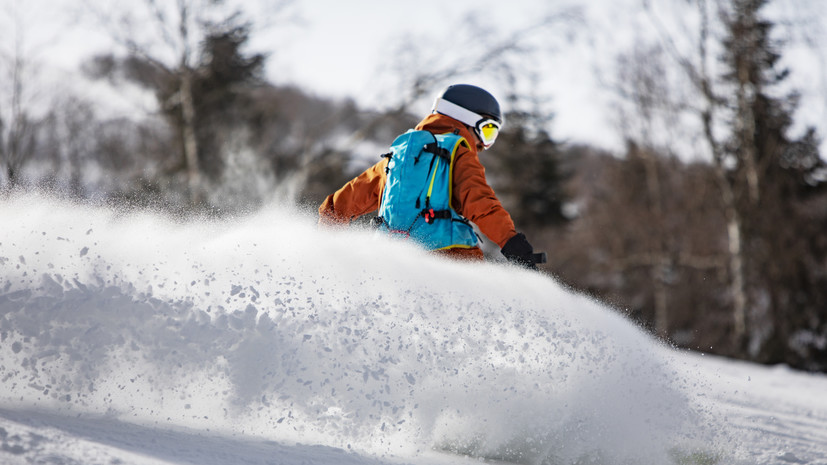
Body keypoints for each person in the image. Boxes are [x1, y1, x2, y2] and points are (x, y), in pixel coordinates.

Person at [318, 84, 539, 268]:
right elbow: (479, 202)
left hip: (391, 257)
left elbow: (341, 204)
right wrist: (512, 243)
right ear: (465, 118)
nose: (483, 143)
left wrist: (328, 245)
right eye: (487, 130)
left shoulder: (400, 153)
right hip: (451, 258)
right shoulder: (458, 150)